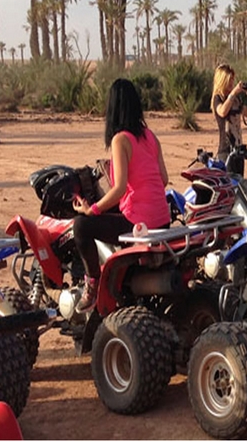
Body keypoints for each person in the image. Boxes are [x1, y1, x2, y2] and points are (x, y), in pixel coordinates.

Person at [71, 78, 172, 312]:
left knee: (81, 226)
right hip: (162, 219)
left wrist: (91, 209)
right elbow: (163, 179)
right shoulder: (150, 136)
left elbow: (118, 189)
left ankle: (92, 284)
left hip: (139, 223)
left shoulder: (120, 140)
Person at [211, 63, 247, 162]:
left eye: (232, 79)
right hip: (226, 151)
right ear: (222, 80)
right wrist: (233, 93)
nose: (231, 83)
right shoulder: (218, 98)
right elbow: (222, 112)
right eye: (229, 80)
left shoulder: (235, 100)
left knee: (239, 177)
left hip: (238, 149)